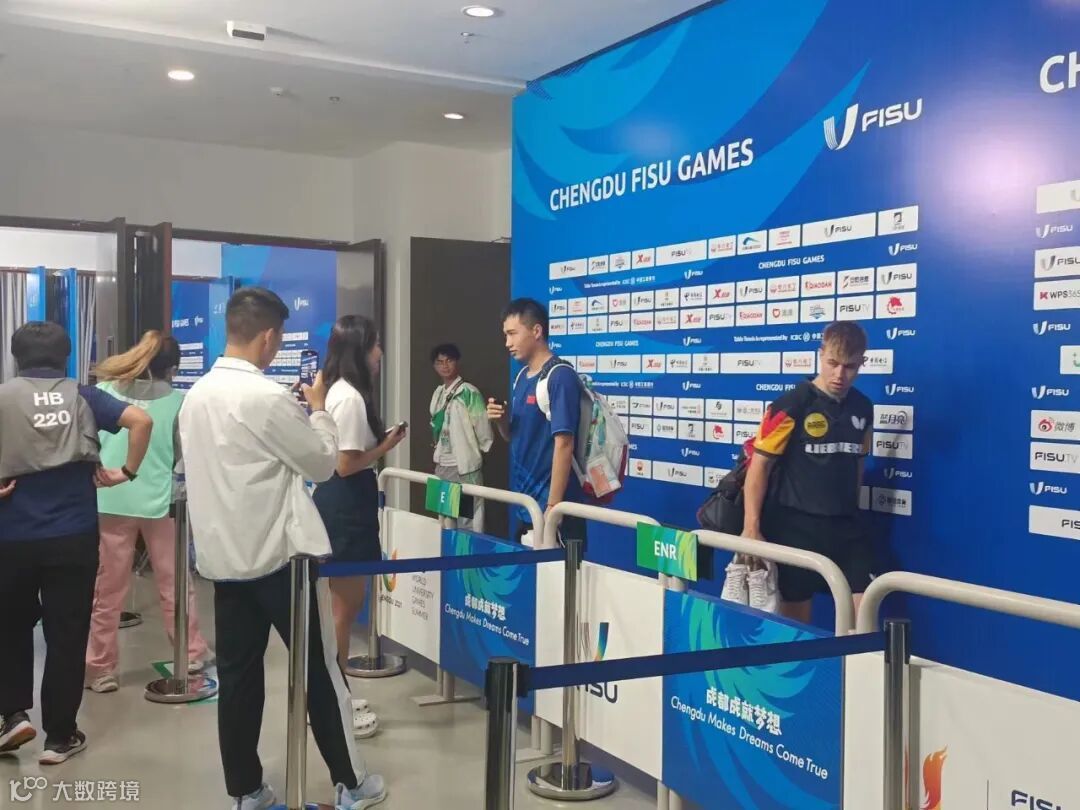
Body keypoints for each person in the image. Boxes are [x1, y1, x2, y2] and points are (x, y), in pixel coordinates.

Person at [178, 288, 386, 810]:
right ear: (269, 337)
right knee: (320, 672)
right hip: (281, 562)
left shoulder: (197, 395)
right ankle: (351, 782)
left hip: (224, 562)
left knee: (238, 680)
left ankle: (246, 790)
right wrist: (317, 411)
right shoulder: (266, 398)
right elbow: (322, 463)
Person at [0, 321, 152, 764]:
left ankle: (12, 716)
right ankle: (59, 736)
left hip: (11, 536)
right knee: (67, 633)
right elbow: (141, 421)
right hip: (73, 534)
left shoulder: (3, 397)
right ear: (66, 357)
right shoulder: (84, 396)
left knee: (9, 626)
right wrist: (127, 472)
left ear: (16, 357)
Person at [84, 330, 211, 694]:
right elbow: (182, 455)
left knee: (107, 590)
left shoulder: (102, 393)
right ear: (172, 368)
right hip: (162, 503)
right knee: (176, 584)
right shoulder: (179, 402)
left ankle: (99, 668)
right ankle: (191, 652)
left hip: (109, 498)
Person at [740, 321, 874, 623]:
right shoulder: (790, 404)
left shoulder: (863, 407)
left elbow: (858, 463)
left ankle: (860, 656)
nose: (840, 374)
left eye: (850, 366)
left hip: (845, 526)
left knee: (865, 612)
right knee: (797, 625)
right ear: (820, 354)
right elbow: (759, 466)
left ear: (862, 363)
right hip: (795, 527)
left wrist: (851, 507)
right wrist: (751, 526)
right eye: (833, 363)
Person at [312, 315, 405, 736]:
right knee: (342, 612)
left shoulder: (340, 392)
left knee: (342, 609)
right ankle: (333, 704)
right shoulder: (348, 397)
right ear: (359, 349)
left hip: (346, 504)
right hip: (345, 506)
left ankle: (337, 695)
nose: (380, 353)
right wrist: (385, 446)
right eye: (375, 344)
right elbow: (346, 464)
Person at [487, 298, 584, 545]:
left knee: (563, 571)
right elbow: (512, 436)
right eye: (505, 335)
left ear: (537, 331)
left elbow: (564, 444)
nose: (507, 343)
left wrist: (553, 509)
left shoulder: (560, 376)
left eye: (512, 334)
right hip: (527, 508)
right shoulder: (521, 377)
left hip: (557, 514)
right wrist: (502, 421)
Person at [428, 342, 493, 531]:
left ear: (457, 362)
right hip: (442, 464)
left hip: (464, 467)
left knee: (468, 522)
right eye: (440, 362)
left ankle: (469, 552)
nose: (445, 365)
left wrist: (476, 454)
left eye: (449, 360)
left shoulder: (469, 392)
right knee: (444, 521)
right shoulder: (438, 393)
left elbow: (484, 430)